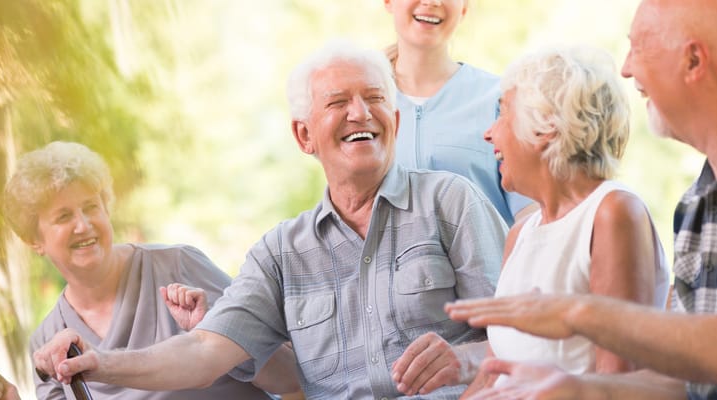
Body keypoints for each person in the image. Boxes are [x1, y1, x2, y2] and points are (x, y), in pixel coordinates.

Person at [31, 40, 507, 399]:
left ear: (396, 123)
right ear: (304, 136)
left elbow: (522, 339)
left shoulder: (450, 202)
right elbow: (203, 351)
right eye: (338, 102)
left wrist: (464, 361)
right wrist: (101, 363)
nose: (360, 113)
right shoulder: (281, 253)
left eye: (375, 98)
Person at [445, 0, 717, 399]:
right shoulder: (698, 201)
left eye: (639, 46)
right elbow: (685, 381)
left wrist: (579, 313)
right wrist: (576, 388)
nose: (626, 69)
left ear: (693, 60)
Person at [389, 45, 671, 397]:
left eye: (503, 114)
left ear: (545, 127)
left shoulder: (612, 212)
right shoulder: (522, 234)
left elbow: (615, 381)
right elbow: (494, 372)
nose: (488, 134)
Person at [0, 141, 296, 400]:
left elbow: (292, 375)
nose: (83, 225)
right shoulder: (47, 341)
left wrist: (222, 334)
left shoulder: (178, 265)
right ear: (34, 240)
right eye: (63, 216)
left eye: (91, 207)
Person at [384, 0, 533, 226]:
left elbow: (530, 215)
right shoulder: (362, 104)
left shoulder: (500, 99)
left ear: (463, 8)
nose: (431, 2)